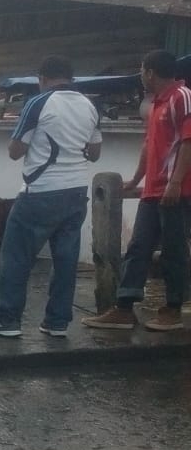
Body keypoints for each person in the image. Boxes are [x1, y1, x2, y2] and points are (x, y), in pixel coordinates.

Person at [0, 56, 102, 338]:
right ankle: (57, 322)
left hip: (41, 192)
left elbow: (15, 150)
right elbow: (94, 153)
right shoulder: (90, 105)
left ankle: (7, 319)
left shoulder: (38, 102)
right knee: (66, 259)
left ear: (42, 78)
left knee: (16, 256)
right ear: (71, 78)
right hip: (77, 192)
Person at [83, 50, 191, 332]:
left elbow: (189, 141)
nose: (142, 76)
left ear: (150, 72)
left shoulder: (182, 96)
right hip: (153, 190)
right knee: (138, 247)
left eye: (143, 71)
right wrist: (136, 179)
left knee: (174, 250)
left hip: (176, 190)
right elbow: (149, 145)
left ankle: (173, 309)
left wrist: (176, 182)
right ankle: (124, 307)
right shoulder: (155, 104)